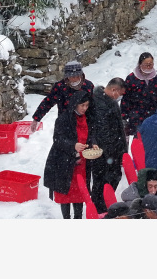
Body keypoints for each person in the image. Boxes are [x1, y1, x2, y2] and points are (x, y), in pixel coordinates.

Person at [43, 89, 99, 219]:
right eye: (82, 105)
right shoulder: (63, 119)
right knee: (66, 193)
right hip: (65, 162)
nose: (85, 108)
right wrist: (73, 145)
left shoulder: (88, 118)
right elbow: (57, 139)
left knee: (80, 191)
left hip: (82, 163)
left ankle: (78, 217)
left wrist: (93, 143)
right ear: (75, 104)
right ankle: (66, 218)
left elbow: (91, 134)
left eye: (87, 105)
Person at [88, 77, 127, 214]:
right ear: (114, 89)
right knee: (102, 181)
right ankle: (100, 208)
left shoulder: (109, 101)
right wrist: (112, 152)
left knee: (110, 178)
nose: (120, 97)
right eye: (120, 94)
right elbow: (103, 131)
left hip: (112, 150)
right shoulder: (99, 103)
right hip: (104, 153)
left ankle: (102, 204)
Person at [30, 60, 93, 131]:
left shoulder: (88, 86)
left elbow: (93, 105)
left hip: (84, 124)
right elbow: (48, 102)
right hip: (65, 125)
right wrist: (36, 118)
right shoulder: (60, 87)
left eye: (77, 76)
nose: (75, 79)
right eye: (72, 76)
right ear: (67, 76)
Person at [121, 52, 157, 136]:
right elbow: (125, 99)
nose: (149, 67)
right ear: (140, 64)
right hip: (137, 116)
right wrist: (124, 116)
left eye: (151, 64)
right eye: (146, 65)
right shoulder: (131, 78)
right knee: (141, 139)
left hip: (155, 113)